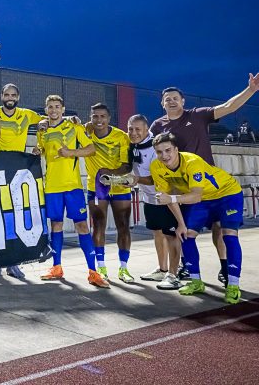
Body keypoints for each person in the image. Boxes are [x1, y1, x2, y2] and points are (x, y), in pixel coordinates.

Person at [149, 74, 259, 283]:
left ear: (183, 101)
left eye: (175, 97)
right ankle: (186, 268)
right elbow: (139, 140)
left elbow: (228, 107)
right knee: (183, 230)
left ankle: (226, 268)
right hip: (180, 189)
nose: (171, 101)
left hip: (206, 185)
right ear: (162, 103)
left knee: (219, 229)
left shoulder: (197, 115)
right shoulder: (157, 126)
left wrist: (251, 90)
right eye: (167, 98)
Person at [151, 133, 244, 304]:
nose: (164, 156)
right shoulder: (156, 167)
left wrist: (171, 198)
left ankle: (233, 285)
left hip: (227, 194)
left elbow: (194, 196)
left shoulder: (192, 162)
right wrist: (180, 224)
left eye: (168, 150)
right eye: (159, 152)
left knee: (229, 235)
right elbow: (167, 196)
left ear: (176, 150)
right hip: (204, 200)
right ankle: (196, 282)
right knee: (185, 234)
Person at [34, 95, 107, 288]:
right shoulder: (43, 130)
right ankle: (56, 267)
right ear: (46, 109)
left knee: (82, 226)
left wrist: (71, 153)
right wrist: (36, 150)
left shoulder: (74, 127)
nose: (53, 110)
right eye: (50, 107)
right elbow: (41, 150)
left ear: (63, 109)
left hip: (72, 186)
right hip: (52, 187)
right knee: (56, 226)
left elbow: (91, 149)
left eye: (57, 107)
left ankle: (93, 272)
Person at [0, 83, 42, 280]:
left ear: (18, 97)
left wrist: (69, 119)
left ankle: (13, 264)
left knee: (15, 218)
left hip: (19, 171)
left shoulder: (27, 114)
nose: (9, 97)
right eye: (6, 94)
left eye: (13, 94)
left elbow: (49, 118)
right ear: (1, 96)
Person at [127, 114, 182, 290]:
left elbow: (154, 179)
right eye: (130, 129)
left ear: (146, 129)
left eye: (137, 129)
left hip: (166, 196)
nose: (133, 133)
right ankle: (162, 268)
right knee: (157, 233)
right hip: (149, 198)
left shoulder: (155, 147)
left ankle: (174, 274)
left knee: (172, 235)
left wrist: (135, 179)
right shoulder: (132, 146)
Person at [84, 103, 136, 284]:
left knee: (123, 226)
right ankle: (101, 268)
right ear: (90, 118)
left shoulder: (121, 137)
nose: (99, 120)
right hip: (96, 189)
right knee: (99, 226)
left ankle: (124, 268)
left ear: (109, 118)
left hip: (120, 187)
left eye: (102, 116)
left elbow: (127, 165)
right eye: (95, 116)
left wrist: (110, 174)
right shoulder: (85, 133)